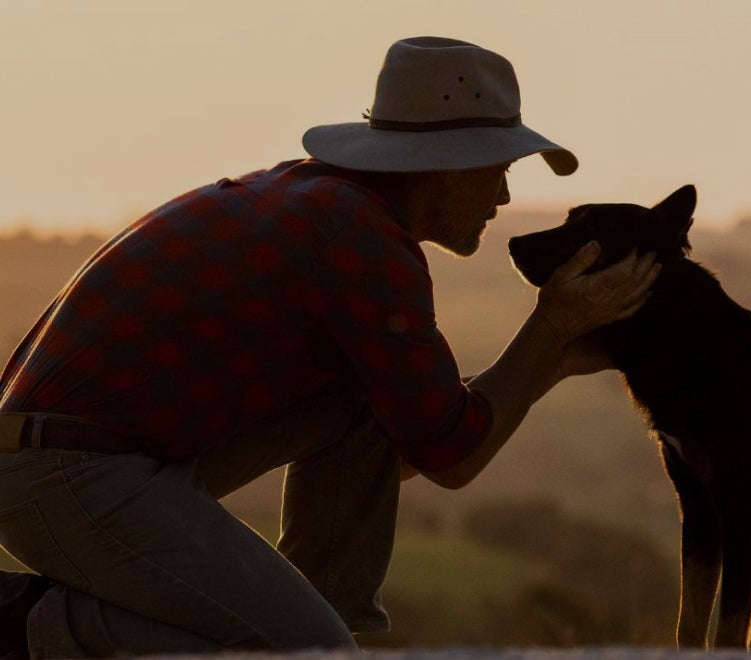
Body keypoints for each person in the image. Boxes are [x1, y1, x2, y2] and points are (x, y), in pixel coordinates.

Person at [0, 36, 660, 656]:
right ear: (448, 171)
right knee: (293, 650)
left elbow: (410, 439)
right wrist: (550, 329)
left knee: (357, 410)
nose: (506, 196)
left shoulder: (325, 203)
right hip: (65, 472)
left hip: (73, 460)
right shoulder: (362, 240)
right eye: (499, 170)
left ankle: (328, 619)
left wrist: (558, 354)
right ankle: (29, 627)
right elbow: (450, 456)